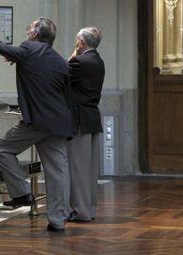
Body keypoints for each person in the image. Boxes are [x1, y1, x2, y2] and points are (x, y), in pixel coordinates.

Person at [0, 17, 73, 232]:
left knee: (2, 149)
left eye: (30, 27)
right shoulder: (58, 59)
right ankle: (57, 220)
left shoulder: (28, 49)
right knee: (57, 172)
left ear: (35, 34)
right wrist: (19, 59)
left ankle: (21, 192)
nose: (27, 31)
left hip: (36, 121)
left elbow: (7, 49)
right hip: (59, 122)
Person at [67, 27, 105, 222]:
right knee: (89, 170)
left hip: (79, 119)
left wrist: (73, 54)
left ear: (81, 43)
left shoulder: (78, 61)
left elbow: (61, 78)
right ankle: (89, 208)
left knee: (78, 169)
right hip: (92, 117)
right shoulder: (98, 60)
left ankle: (81, 211)